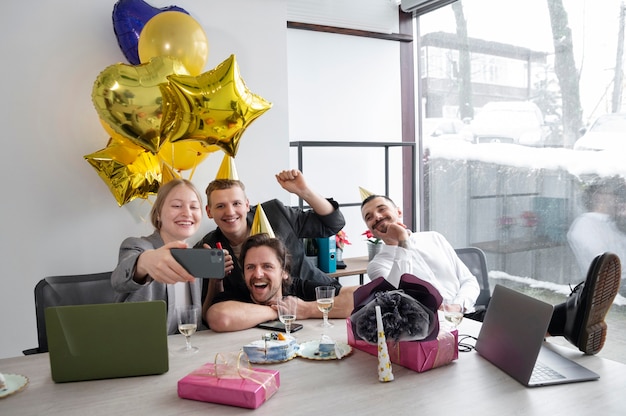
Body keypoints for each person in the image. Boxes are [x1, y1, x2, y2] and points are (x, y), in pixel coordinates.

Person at [361, 194, 622, 355]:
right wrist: (403, 243)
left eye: (381, 209)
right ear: (371, 231)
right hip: (433, 328)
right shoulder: (378, 265)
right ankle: (575, 313)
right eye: (369, 218)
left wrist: (459, 305)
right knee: (507, 321)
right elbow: (399, 298)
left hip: (469, 313)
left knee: (508, 310)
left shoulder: (434, 239)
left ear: (398, 212)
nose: (377, 218)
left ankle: (573, 320)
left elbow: (468, 281)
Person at [197, 169, 356, 331]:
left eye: (236, 203)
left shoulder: (276, 213)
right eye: (220, 206)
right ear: (209, 211)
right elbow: (209, 314)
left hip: (312, 299)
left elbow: (333, 223)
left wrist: (304, 191)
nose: (230, 212)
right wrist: (215, 279)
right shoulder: (208, 248)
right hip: (253, 319)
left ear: (247, 205)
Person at [111, 179, 212, 335]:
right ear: (158, 214)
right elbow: (118, 280)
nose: (187, 213)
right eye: (177, 206)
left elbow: (194, 322)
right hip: (141, 349)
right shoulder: (138, 246)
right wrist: (144, 262)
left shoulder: (195, 256)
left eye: (194, 207)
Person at [207, 233, 356, 332]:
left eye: (267, 266)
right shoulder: (238, 293)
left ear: (284, 272)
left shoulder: (299, 288)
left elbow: (360, 297)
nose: (258, 274)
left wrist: (307, 309)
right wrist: (278, 311)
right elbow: (218, 317)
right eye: (250, 267)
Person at [568, 176, 626, 295]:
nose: (617, 199)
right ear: (598, 197)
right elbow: (608, 265)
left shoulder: (609, 223)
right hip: (612, 289)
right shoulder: (585, 224)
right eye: (612, 194)